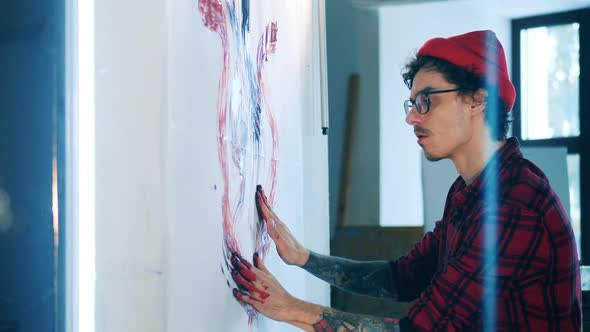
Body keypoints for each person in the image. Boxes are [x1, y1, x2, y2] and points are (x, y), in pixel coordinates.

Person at [230, 30, 582, 331]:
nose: (412, 118)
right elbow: (403, 278)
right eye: (412, 103)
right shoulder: (470, 190)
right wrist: (304, 258)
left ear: (478, 100)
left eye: (426, 101)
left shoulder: (514, 203)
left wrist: (289, 308)